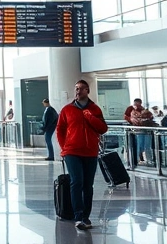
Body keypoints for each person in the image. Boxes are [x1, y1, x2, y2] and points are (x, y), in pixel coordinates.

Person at [56, 79, 108, 231]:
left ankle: (86, 216)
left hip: (90, 152)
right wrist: (64, 147)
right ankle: (78, 216)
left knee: (88, 185)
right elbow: (60, 129)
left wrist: (90, 117)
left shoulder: (95, 109)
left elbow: (103, 129)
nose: (78, 91)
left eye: (81, 89)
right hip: (72, 151)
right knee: (76, 181)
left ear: (87, 91)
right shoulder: (67, 110)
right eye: (76, 88)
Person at [123, 98, 144, 169]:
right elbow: (125, 116)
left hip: (140, 130)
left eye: (138, 104)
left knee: (139, 145)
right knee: (132, 145)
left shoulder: (142, 110)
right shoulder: (130, 108)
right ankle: (132, 162)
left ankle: (136, 161)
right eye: (135, 104)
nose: (136, 105)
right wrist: (131, 120)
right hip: (131, 130)